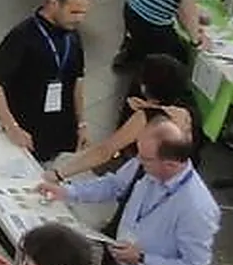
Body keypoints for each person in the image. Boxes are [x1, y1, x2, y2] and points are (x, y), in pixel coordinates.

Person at [37, 118, 219, 265]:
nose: (139, 160)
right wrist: (67, 192)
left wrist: (143, 259)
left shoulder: (197, 207)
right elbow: (114, 184)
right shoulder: (146, 165)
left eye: (146, 159)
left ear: (170, 164)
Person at [0, 0, 91, 163]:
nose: (79, 18)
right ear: (53, 3)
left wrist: (81, 123)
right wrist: (11, 126)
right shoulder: (23, 36)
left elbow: (77, 80)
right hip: (25, 130)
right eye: (74, 12)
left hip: (56, 131)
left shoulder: (72, 36)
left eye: (83, 13)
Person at [50, 54, 202, 183]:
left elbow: (105, 150)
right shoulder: (189, 112)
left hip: (151, 180)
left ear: (145, 87)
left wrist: (60, 173)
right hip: (182, 179)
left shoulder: (146, 118)